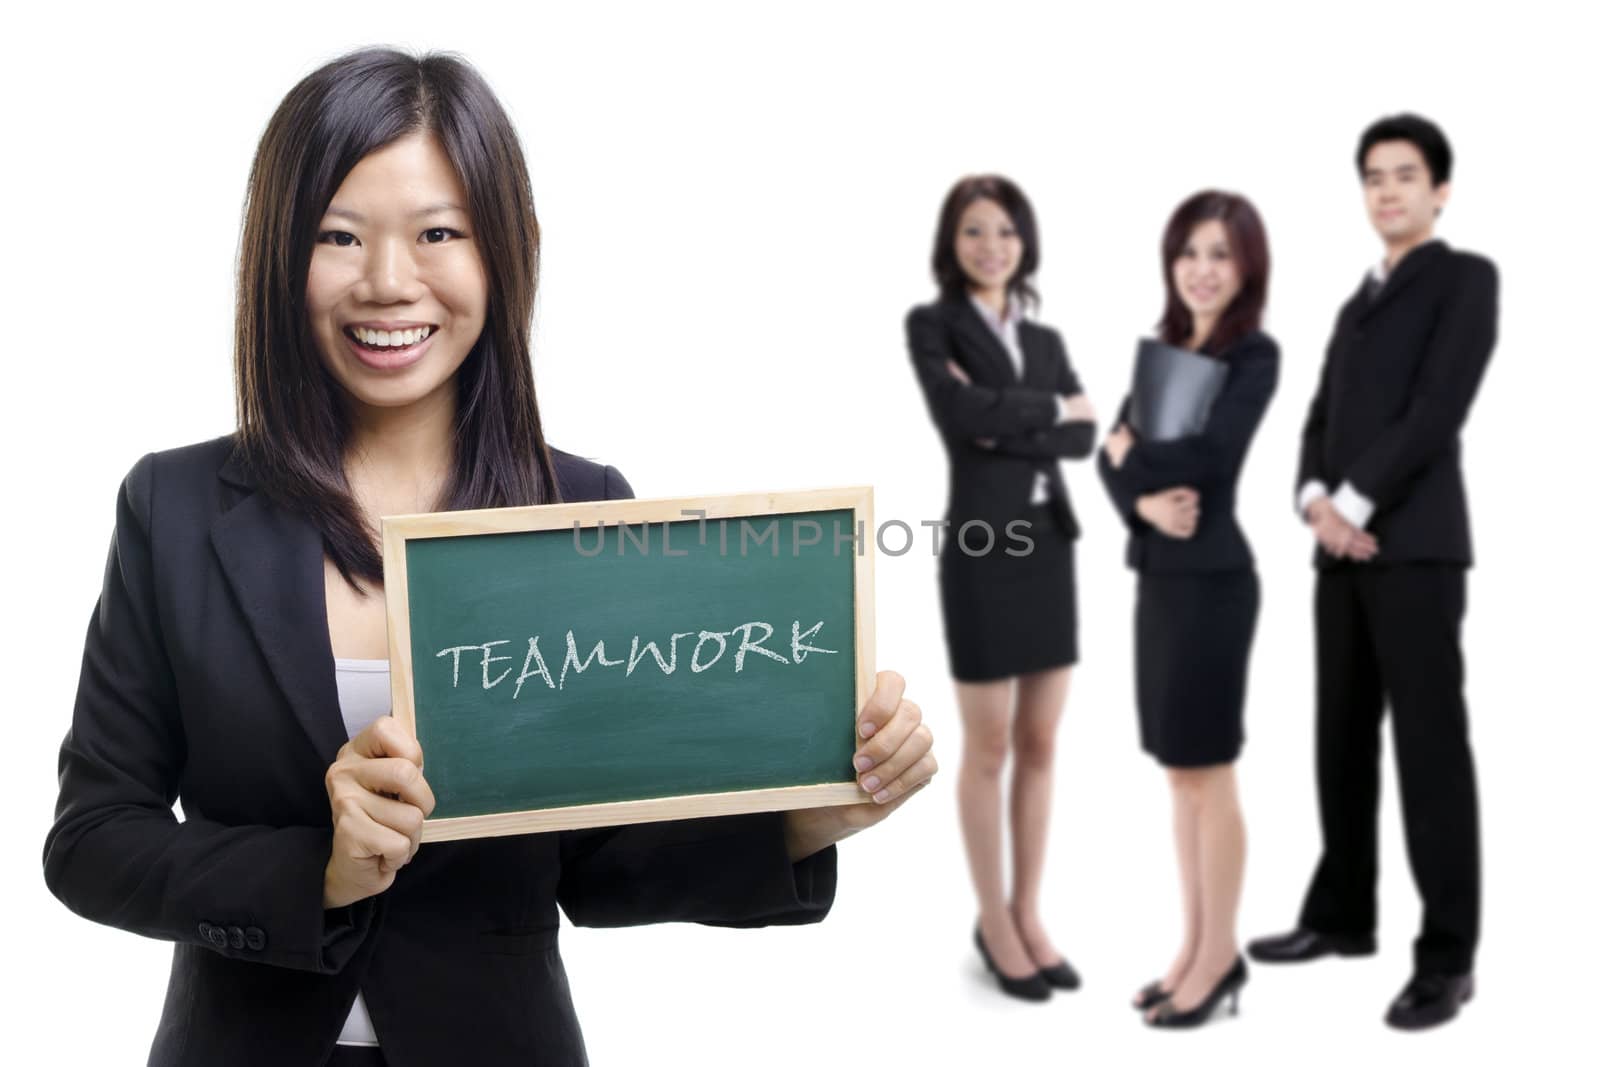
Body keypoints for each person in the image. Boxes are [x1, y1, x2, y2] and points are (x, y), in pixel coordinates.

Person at [41, 48, 936, 1067]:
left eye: (438, 233)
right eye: (338, 235)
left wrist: (803, 818)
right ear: (279, 256)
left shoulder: (584, 509)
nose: (387, 282)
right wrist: (317, 871)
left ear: (505, 250)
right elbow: (93, 840)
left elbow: (602, 862)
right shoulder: (177, 504)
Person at [1247, 113, 1497, 1032]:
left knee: (1429, 752)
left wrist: (1353, 504)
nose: (1387, 190)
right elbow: (1319, 412)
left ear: (1440, 188)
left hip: (1417, 547)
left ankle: (1448, 958)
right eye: (1374, 177)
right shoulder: (1356, 301)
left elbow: (1439, 408)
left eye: (1405, 174)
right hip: (1338, 548)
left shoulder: (1465, 279)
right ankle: (1342, 915)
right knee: (1340, 739)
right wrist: (1316, 496)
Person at [905, 175, 1096, 1001]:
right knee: (989, 745)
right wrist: (1044, 410)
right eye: (976, 231)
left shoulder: (1043, 337)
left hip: (1051, 543)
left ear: (1026, 242)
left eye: (1006, 232)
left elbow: (1085, 435)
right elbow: (956, 416)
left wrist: (1005, 414)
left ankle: (1027, 911)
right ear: (954, 241)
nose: (992, 246)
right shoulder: (932, 323)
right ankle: (992, 918)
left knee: (1043, 741)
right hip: (985, 546)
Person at [1098, 190, 1278, 1029]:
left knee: (1211, 772)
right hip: (1158, 580)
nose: (1202, 269)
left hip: (1214, 582)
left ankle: (1220, 955)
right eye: (1188, 253)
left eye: (1219, 253)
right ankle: (1192, 948)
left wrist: (1138, 458)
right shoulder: (1165, 350)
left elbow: (1214, 455)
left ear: (1244, 266)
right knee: (1178, 773)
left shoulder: (1254, 355)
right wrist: (1140, 501)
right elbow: (1108, 458)